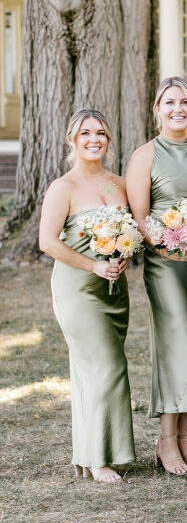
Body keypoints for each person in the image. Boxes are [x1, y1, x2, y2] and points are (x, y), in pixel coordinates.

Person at [126, 76, 187, 475]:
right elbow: (140, 216)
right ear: (157, 109)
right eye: (170, 102)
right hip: (166, 265)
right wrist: (171, 246)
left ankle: (185, 437)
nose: (178, 109)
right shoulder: (144, 156)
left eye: (185, 102)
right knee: (176, 343)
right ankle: (167, 438)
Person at [39, 109, 135, 482]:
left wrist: (123, 253)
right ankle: (98, 458)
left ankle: (89, 450)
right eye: (85, 133)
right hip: (78, 288)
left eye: (100, 133)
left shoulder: (120, 184)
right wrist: (92, 265)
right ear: (72, 139)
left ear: (108, 140)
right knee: (107, 366)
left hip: (114, 287)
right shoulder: (63, 187)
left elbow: (132, 231)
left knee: (91, 370)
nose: (93, 139)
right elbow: (47, 241)